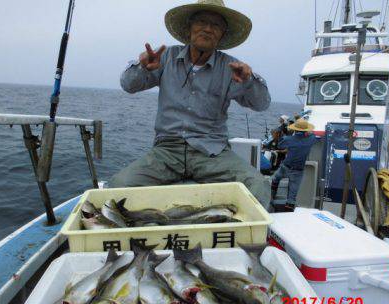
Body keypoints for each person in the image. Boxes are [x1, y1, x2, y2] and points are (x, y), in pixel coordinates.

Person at [110, 0, 272, 207]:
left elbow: (262, 104)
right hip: (166, 150)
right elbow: (128, 85)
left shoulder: (232, 68)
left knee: (257, 185)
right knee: (118, 187)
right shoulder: (165, 57)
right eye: (202, 21)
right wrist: (143, 68)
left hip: (212, 152)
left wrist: (249, 82)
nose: (207, 28)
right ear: (189, 28)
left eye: (216, 25)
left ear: (222, 34)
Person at [270, 119, 317, 212]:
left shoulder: (289, 139)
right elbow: (313, 134)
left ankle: (271, 197)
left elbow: (279, 145)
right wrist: (308, 133)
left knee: (275, 179)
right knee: (292, 196)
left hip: (285, 167)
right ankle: (288, 214)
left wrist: (286, 135)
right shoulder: (311, 139)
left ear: (295, 130)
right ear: (306, 131)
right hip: (298, 171)